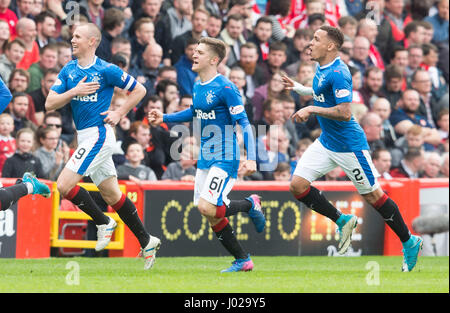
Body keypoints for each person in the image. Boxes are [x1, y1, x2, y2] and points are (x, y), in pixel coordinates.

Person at [282, 26, 422, 272]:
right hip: (327, 141)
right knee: (297, 185)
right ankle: (343, 220)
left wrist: (311, 108)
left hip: (349, 146)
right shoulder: (321, 67)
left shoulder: (339, 72)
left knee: (373, 196)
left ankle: (409, 241)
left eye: (316, 39)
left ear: (330, 46)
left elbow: (346, 112)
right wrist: (299, 89)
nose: (310, 43)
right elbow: (321, 93)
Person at [45, 23, 160, 270]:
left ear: (92, 41)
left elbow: (139, 89)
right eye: (72, 36)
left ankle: (103, 221)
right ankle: (146, 239)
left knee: (63, 185)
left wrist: (119, 112)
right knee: (111, 194)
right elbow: (49, 103)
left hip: (99, 135)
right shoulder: (68, 70)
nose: (72, 40)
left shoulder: (106, 69)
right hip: (85, 136)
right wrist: (74, 91)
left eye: (77, 36)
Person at [149, 37, 265, 273]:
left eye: (200, 52)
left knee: (206, 206)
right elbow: (194, 111)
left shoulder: (226, 87)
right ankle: (243, 259)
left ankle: (249, 204)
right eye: (194, 50)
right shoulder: (198, 84)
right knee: (211, 214)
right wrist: (164, 118)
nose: (194, 54)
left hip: (226, 156)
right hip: (206, 157)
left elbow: (244, 123)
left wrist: (251, 157)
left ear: (213, 59)